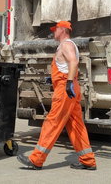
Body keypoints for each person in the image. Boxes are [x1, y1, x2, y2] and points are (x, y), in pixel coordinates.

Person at [17, 21, 97, 170]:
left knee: (52, 121)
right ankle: (88, 160)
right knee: (76, 126)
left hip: (66, 89)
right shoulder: (67, 45)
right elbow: (66, 66)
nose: (53, 32)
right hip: (71, 88)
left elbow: (73, 62)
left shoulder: (66, 45)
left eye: (55, 29)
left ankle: (36, 160)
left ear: (63, 30)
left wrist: (67, 83)